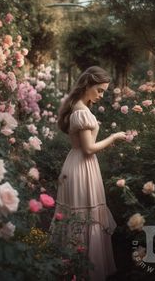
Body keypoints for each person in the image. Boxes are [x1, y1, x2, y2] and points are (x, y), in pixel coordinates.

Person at [50, 66, 126, 280]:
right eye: (99, 90)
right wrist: (114, 137)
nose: (101, 95)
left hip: (77, 164)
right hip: (82, 167)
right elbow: (89, 148)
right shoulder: (82, 111)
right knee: (85, 216)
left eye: (103, 91)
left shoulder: (77, 105)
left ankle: (72, 268)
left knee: (79, 216)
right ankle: (82, 271)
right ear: (87, 85)